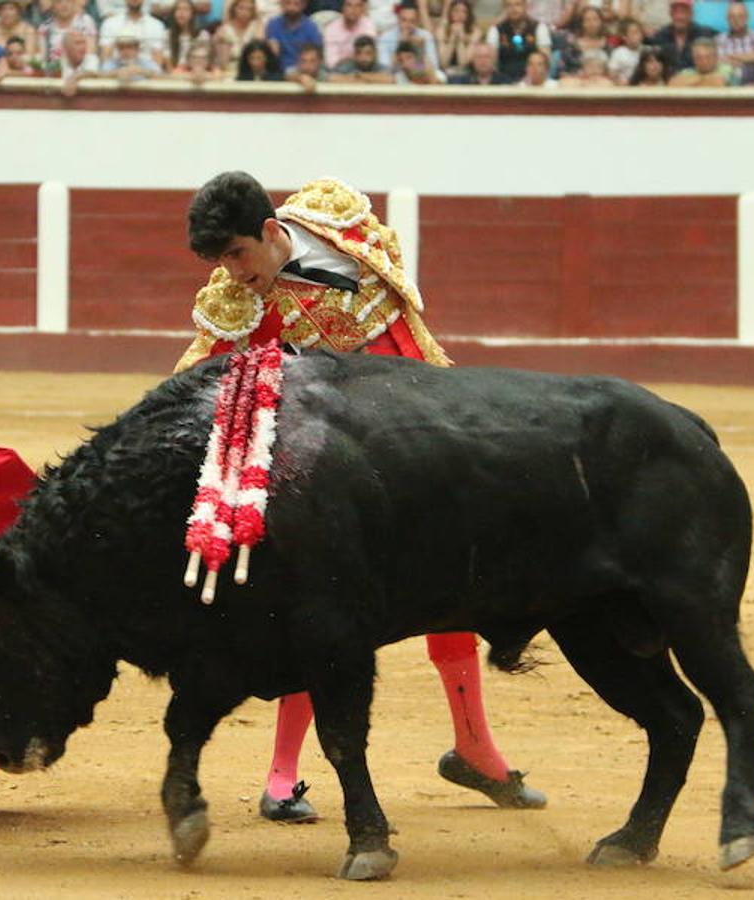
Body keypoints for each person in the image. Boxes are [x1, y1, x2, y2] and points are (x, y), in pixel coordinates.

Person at [176, 171, 548, 823]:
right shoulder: (238, 300)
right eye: (220, 262)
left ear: (270, 232)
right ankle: (281, 776)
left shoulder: (336, 224)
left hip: (417, 438)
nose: (232, 275)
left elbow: (405, 335)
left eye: (237, 255)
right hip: (336, 469)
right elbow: (196, 376)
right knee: (323, 606)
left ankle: (474, 748)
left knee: (453, 590)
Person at [485, 0, 550, 80]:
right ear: (504, 8)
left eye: (517, 5)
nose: (513, 9)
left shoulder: (539, 28)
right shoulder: (496, 30)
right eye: (509, 5)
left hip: (533, 80)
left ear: (526, 6)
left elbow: (545, 59)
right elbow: (491, 62)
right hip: (503, 80)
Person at [646, 0, 716, 72]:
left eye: (683, 12)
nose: (679, 17)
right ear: (671, 14)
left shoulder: (703, 34)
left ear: (691, 14)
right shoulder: (661, 35)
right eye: (676, 12)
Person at [99, 0, 166, 65]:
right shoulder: (110, 23)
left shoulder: (156, 25)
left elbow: (157, 61)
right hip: (116, 70)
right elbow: (105, 58)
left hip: (147, 72)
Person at [377, 0, 439, 68]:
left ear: (418, 21)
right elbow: (385, 68)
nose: (408, 25)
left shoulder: (426, 36)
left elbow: (434, 66)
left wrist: (420, 51)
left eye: (412, 21)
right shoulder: (386, 38)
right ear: (398, 19)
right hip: (395, 76)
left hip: (420, 75)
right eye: (404, 20)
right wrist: (401, 45)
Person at [265, 0, 321, 70]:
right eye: (288, 3)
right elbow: (272, 55)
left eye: (296, 4)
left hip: (304, 70)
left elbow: (316, 55)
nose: (291, 8)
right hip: (278, 71)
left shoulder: (311, 27)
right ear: (281, 4)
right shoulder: (273, 24)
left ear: (303, 5)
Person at [322, 0, 375, 68]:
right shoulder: (331, 29)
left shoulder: (368, 24)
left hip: (364, 67)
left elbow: (370, 55)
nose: (353, 9)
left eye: (358, 6)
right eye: (349, 5)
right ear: (342, 8)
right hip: (340, 69)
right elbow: (331, 62)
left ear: (362, 9)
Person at [214, 0, 264, 70]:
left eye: (249, 9)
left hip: (251, 69)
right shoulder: (223, 29)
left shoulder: (256, 27)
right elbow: (218, 58)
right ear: (234, 9)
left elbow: (259, 50)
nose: (245, 12)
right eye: (241, 8)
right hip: (227, 68)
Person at [433, 0, 479, 74]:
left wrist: (460, 37)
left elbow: (463, 63)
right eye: (456, 11)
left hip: (466, 74)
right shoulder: (441, 30)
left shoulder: (475, 32)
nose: (460, 14)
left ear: (468, 15)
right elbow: (444, 62)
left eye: (464, 12)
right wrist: (453, 36)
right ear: (450, 13)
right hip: (446, 72)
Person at [558, 5, 608, 72]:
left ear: (601, 22)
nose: (591, 23)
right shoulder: (571, 46)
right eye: (587, 20)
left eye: (595, 19)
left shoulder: (608, 46)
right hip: (576, 80)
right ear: (582, 23)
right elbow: (562, 71)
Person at [716, 1, 754, 67]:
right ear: (727, 19)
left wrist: (730, 57)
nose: (736, 20)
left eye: (740, 16)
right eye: (732, 17)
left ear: (747, 17)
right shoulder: (718, 40)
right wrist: (748, 59)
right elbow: (717, 61)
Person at [164, 0, 206, 68]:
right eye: (178, 9)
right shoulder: (167, 35)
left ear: (192, 14)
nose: (181, 13)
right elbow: (168, 63)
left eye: (186, 9)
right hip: (174, 74)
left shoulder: (202, 35)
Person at [448, 37, 512, 80]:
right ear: (473, 60)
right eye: (479, 57)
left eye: (487, 57)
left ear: (494, 59)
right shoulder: (461, 83)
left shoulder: (505, 83)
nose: (483, 61)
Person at [608, 16, 645, 81]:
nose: (638, 35)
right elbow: (612, 74)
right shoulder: (618, 53)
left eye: (639, 32)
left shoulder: (647, 50)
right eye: (634, 32)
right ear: (624, 37)